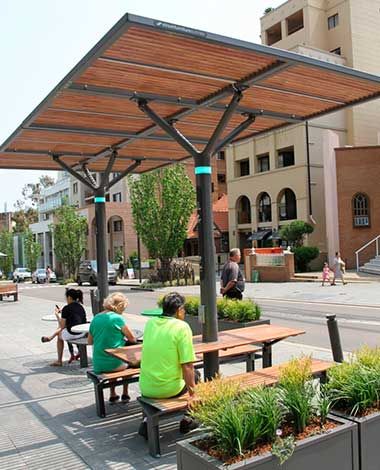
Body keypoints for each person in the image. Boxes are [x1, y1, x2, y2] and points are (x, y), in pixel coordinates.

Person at [139, 292, 197, 437]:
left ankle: (146, 421)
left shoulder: (150, 323)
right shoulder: (182, 327)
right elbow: (187, 365)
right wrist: (193, 394)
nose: (184, 312)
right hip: (168, 389)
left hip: (145, 386)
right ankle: (188, 420)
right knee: (196, 376)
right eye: (184, 309)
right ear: (179, 310)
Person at [88, 292, 136, 403]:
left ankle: (113, 393)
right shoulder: (117, 319)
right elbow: (132, 339)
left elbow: (90, 341)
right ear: (120, 306)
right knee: (130, 362)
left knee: (112, 359)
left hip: (98, 364)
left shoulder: (96, 318)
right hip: (116, 364)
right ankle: (125, 392)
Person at [41, 288, 87, 366]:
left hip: (72, 333)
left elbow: (62, 326)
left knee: (59, 336)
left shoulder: (66, 308)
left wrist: (57, 315)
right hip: (81, 333)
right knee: (62, 329)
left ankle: (59, 360)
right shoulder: (80, 307)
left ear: (69, 297)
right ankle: (50, 337)